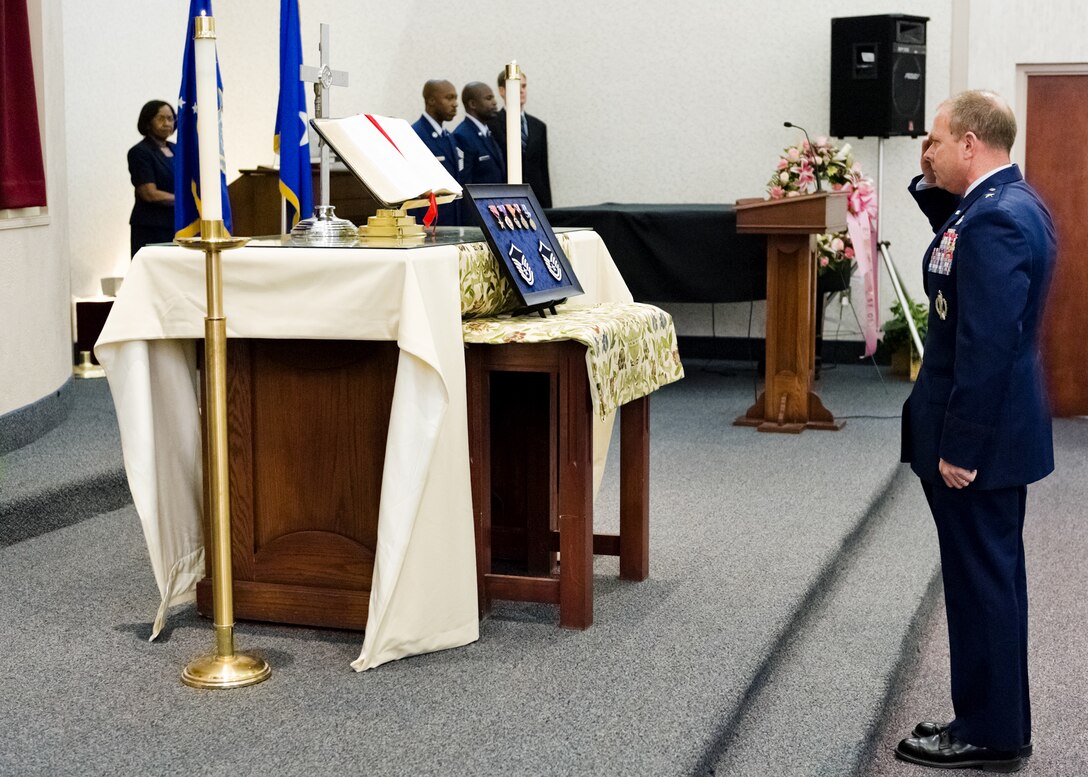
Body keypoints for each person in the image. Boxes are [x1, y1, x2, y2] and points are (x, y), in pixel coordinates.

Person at [895, 90, 1057, 773]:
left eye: (934, 141)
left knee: (980, 583)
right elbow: (950, 264)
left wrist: (959, 446)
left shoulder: (993, 223)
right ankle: (993, 719)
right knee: (988, 578)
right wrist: (933, 185)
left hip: (979, 440)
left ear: (969, 143)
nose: (924, 152)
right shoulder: (1006, 204)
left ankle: (987, 732)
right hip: (998, 432)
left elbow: (988, 343)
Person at [488, 68, 551, 207]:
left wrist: (547, 206)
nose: (522, 91)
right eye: (517, 86)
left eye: (524, 86)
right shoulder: (492, 124)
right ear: (502, 91)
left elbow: (543, 170)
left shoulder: (538, 126)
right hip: (505, 199)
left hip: (535, 198)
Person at [409, 79, 463, 226]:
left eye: (455, 98)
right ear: (431, 101)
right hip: (429, 224)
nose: (455, 103)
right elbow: (413, 187)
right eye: (449, 98)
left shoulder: (448, 136)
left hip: (451, 220)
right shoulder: (415, 135)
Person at [127, 100, 177, 257]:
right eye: (160, 118)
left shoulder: (177, 149)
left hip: (177, 225)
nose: (167, 123)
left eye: (170, 118)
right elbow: (149, 193)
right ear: (148, 122)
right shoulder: (140, 152)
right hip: (152, 228)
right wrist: (183, 201)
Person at [453, 81, 506, 187]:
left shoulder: (487, 132)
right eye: (488, 98)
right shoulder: (462, 136)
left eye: (493, 98)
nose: (495, 102)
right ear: (473, 104)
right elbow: (464, 182)